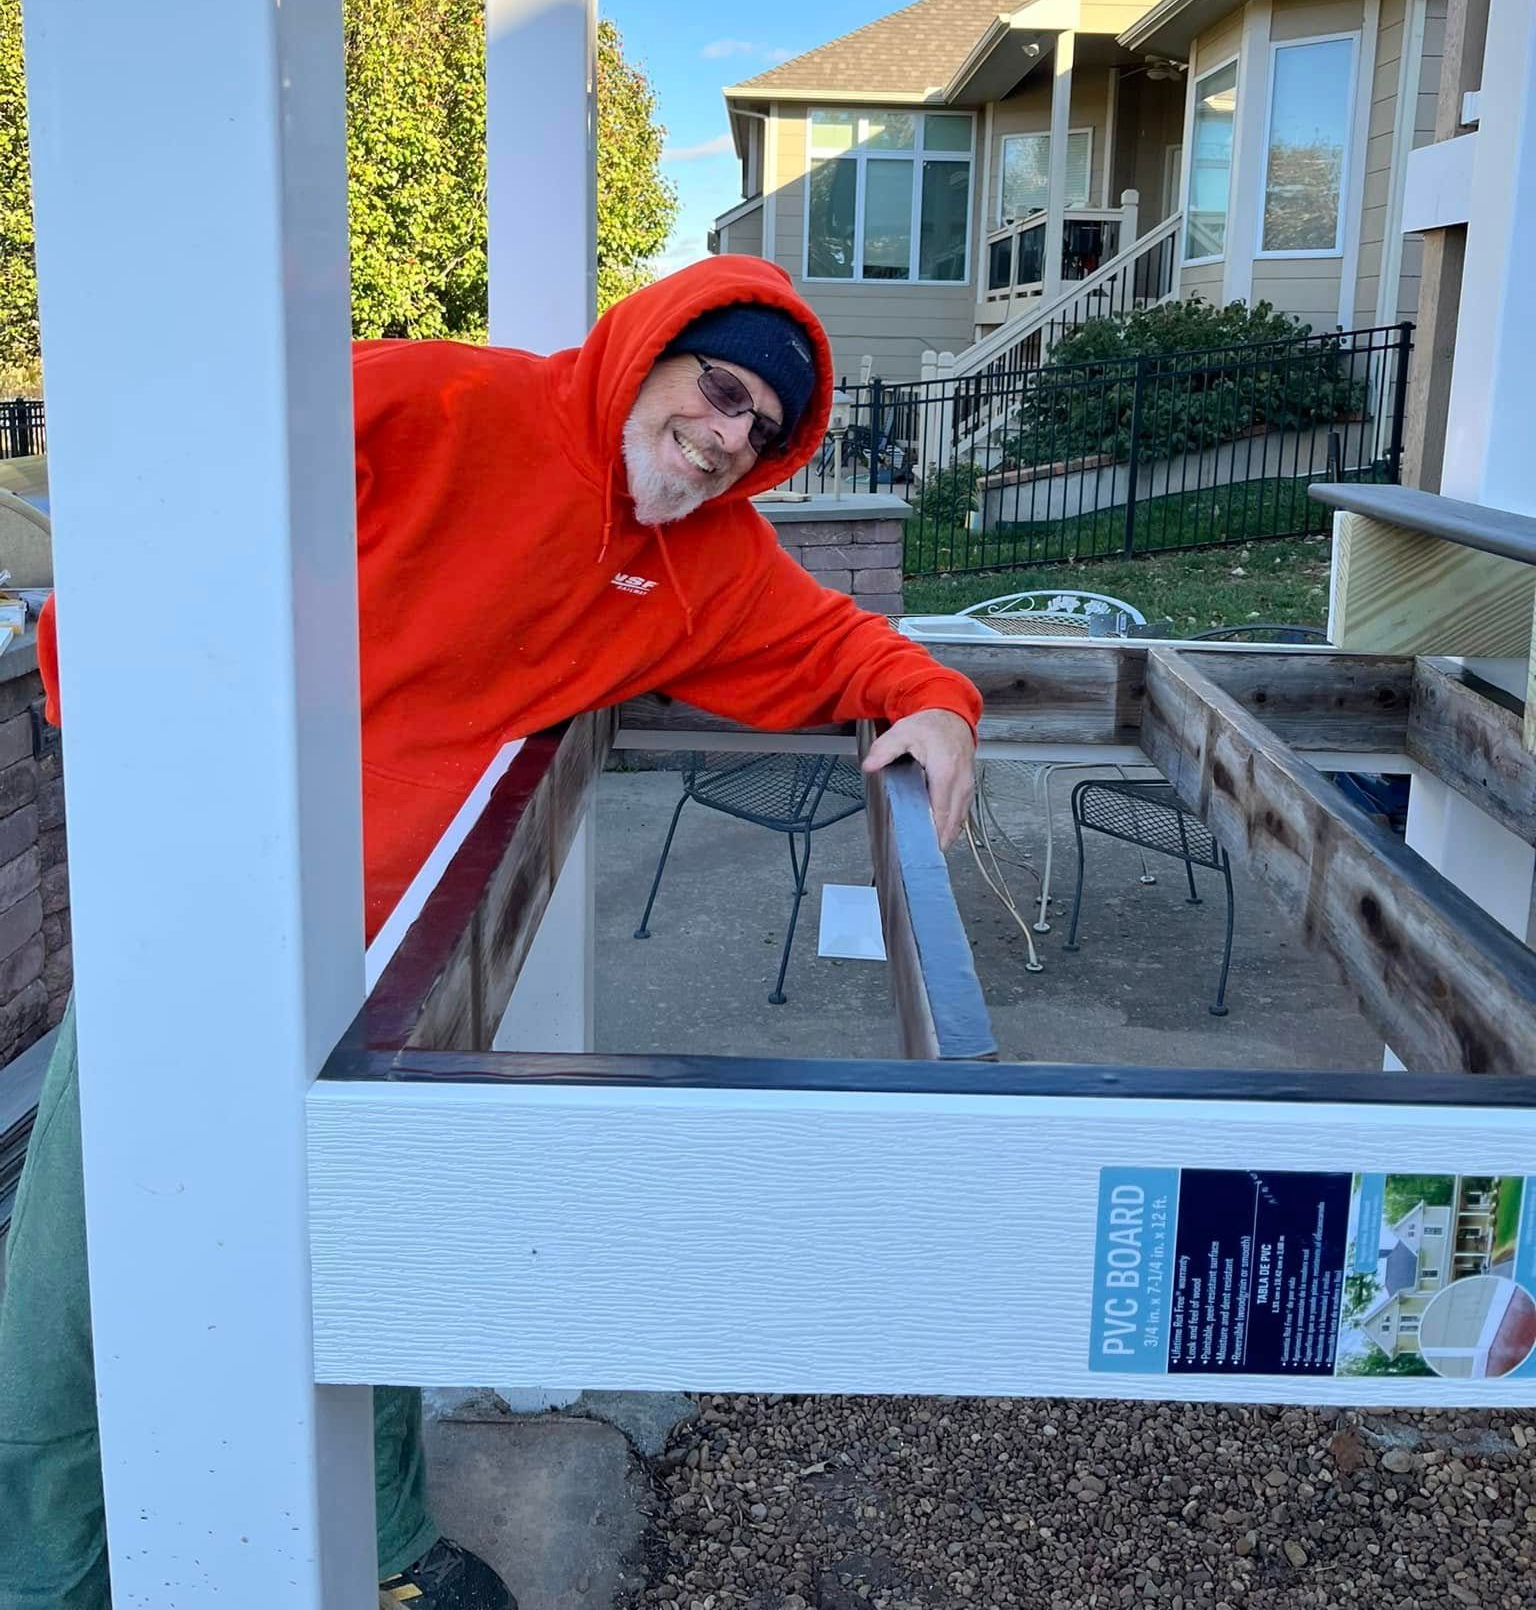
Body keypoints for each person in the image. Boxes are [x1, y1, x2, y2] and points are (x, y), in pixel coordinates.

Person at [0, 258, 981, 1610]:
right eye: (720, 390)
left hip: (380, 972)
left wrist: (935, 705)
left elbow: (845, 650)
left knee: (363, 1257)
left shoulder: (707, 563)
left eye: (765, 430)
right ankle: (47, 1583)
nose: (727, 440)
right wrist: (106, 729)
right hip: (190, 937)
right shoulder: (433, 401)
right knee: (71, 1299)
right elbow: (174, 500)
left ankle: (391, 1547)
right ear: (650, 349)